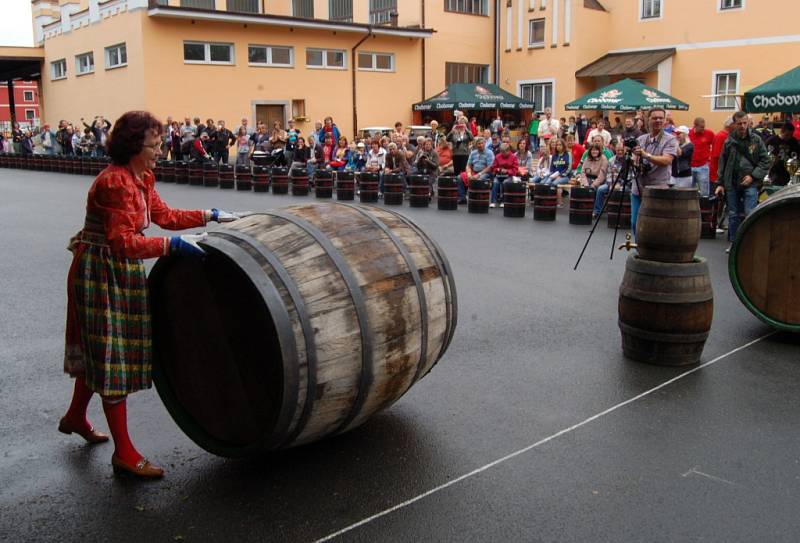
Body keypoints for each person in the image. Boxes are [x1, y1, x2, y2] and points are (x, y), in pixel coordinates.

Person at [60, 111, 242, 479]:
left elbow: (165, 215)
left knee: (104, 351)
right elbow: (122, 241)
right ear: (133, 146)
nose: (161, 150)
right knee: (111, 356)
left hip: (119, 269)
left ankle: (76, 416)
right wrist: (172, 247)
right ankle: (124, 454)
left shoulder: (140, 177)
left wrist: (210, 214)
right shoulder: (115, 183)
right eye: (155, 145)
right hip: (100, 271)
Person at [716, 110, 770, 252]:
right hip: (732, 182)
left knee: (749, 212)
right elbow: (723, 162)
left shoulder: (756, 140)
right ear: (734, 124)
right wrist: (720, 183)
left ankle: (749, 242)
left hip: (750, 182)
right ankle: (734, 243)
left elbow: (766, 160)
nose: (742, 126)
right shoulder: (729, 140)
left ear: (748, 122)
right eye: (739, 123)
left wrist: (753, 176)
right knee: (733, 214)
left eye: (745, 123)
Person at [631, 108, 678, 237]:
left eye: (661, 118)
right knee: (635, 223)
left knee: (656, 225)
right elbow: (635, 160)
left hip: (658, 189)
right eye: (654, 118)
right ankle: (638, 251)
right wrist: (633, 160)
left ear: (665, 120)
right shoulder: (641, 139)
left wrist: (646, 155)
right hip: (639, 187)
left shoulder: (670, 140)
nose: (658, 120)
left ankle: (650, 253)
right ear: (648, 120)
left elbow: (667, 160)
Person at [765, 122, 800, 186]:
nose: (789, 137)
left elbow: (798, 157)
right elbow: (765, 157)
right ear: (781, 131)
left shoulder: (794, 142)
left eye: (791, 135)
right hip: (774, 173)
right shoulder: (771, 141)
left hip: (789, 174)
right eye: (787, 135)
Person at [688, 117, 715, 196]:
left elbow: (715, 145)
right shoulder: (688, 134)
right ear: (695, 126)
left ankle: (705, 206)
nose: (703, 129)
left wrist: (710, 157)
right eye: (701, 127)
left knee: (704, 190)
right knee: (689, 189)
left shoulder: (709, 133)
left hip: (703, 165)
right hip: (690, 165)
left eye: (704, 127)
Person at [464, 136, 494, 202]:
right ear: (476, 145)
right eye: (478, 144)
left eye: (482, 143)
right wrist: (469, 173)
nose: (480, 145)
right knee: (459, 178)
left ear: (485, 143)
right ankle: (463, 198)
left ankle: (476, 197)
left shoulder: (489, 153)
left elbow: (490, 167)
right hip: (474, 171)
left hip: (485, 173)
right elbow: (468, 165)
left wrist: (479, 174)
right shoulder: (473, 153)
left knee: (478, 179)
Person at [489, 143, 518, 208]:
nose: (503, 154)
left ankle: (503, 201)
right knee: (495, 182)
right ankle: (493, 202)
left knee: (505, 182)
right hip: (499, 175)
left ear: (508, 151)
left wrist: (507, 171)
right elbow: (493, 167)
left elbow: (515, 169)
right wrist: (498, 169)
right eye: (501, 152)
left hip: (509, 176)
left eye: (504, 152)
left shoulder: (513, 157)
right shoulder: (497, 156)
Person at [710, 117, 733, 191]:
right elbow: (717, 156)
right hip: (717, 175)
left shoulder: (728, 136)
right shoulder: (721, 136)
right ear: (730, 125)